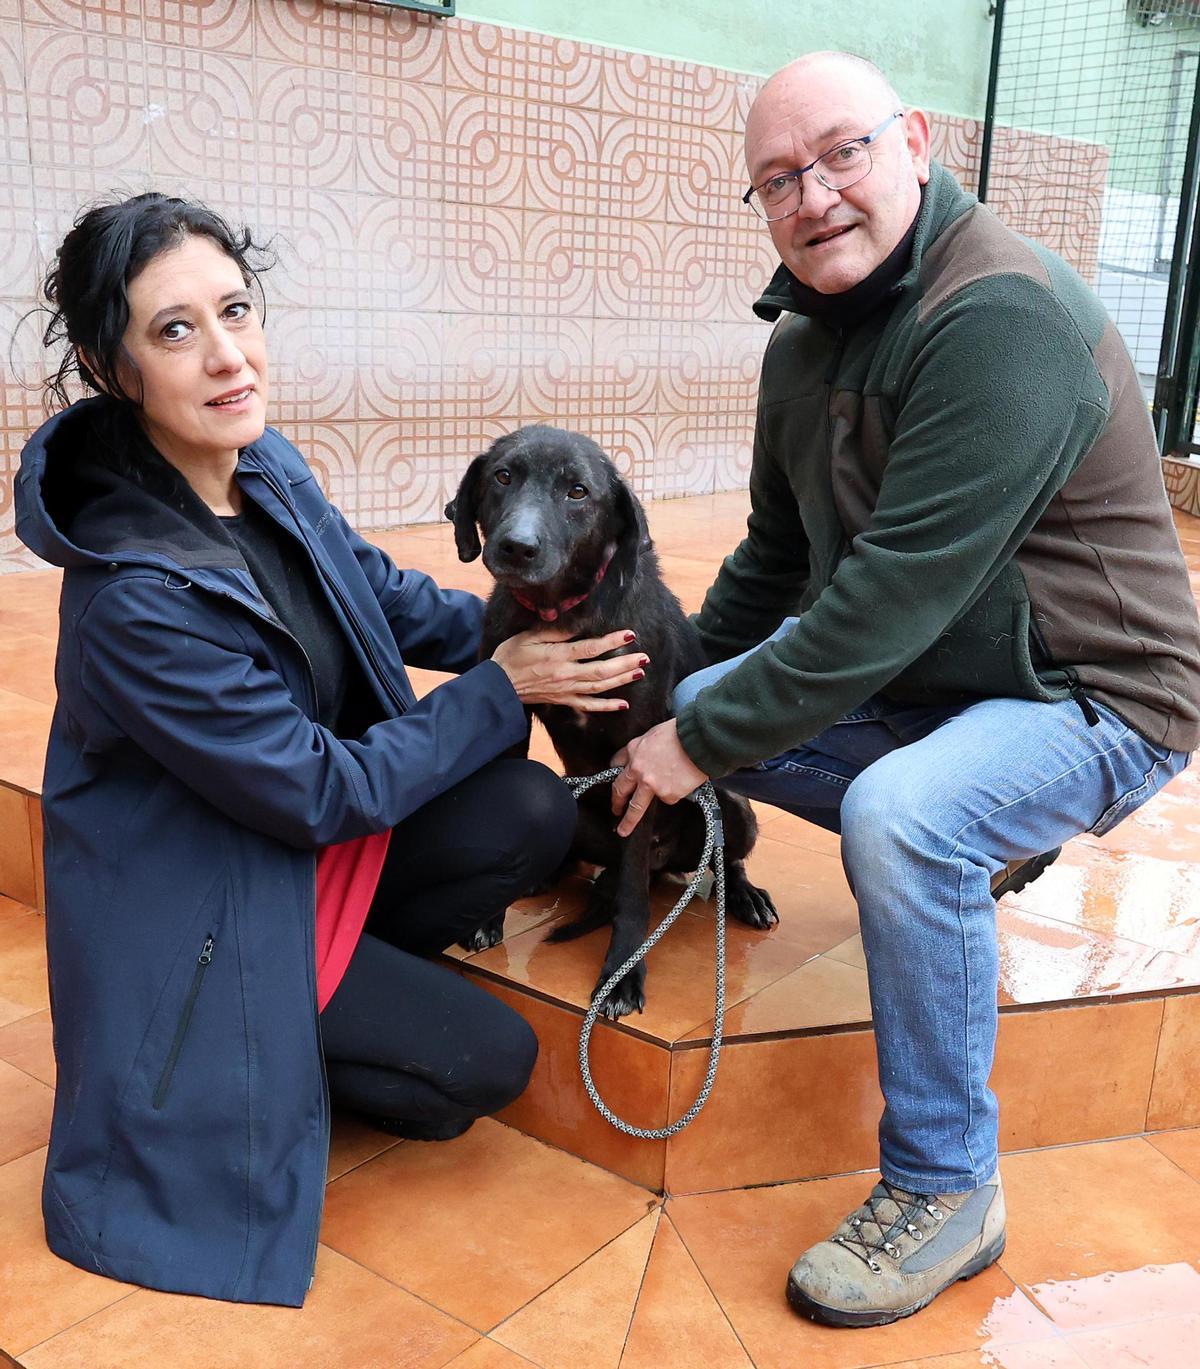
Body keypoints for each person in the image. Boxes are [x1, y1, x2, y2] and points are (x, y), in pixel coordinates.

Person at [610, 51, 1200, 1328]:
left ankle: (947, 1188)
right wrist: (674, 707)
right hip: (953, 676)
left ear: (917, 142)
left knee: (906, 817)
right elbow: (775, 557)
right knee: (711, 711)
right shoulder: (807, 341)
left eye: (842, 154)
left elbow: (882, 601)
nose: (814, 196)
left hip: (1098, 690)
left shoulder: (1001, 317)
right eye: (777, 179)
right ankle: (971, 827)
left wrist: (694, 736)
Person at [15, 194, 649, 1307]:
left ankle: (347, 986)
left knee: (535, 811)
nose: (227, 358)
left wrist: (535, 626)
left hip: (295, 860)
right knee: (483, 1070)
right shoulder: (133, 600)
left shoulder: (262, 463)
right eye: (174, 331)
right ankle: (255, 1065)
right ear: (107, 366)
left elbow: (380, 591)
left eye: (235, 310)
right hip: (211, 921)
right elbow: (322, 786)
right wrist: (504, 686)